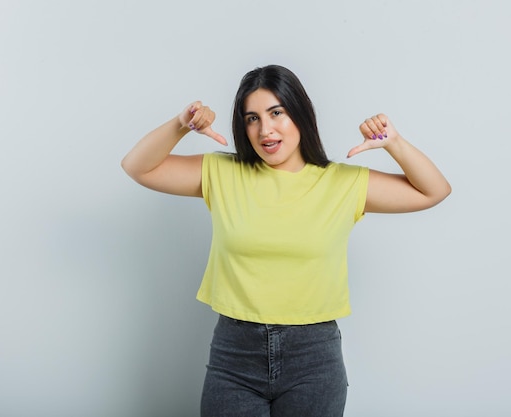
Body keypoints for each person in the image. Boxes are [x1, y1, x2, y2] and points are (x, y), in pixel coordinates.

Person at [121, 65, 451, 417]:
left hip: (313, 359)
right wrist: (180, 124)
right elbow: (137, 167)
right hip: (234, 356)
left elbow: (435, 191)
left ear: (300, 112)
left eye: (276, 112)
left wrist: (394, 144)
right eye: (252, 118)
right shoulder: (222, 172)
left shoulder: (342, 182)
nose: (265, 129)